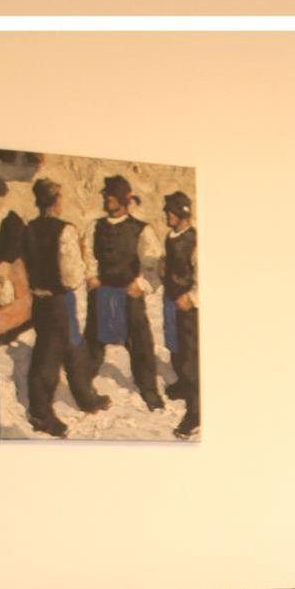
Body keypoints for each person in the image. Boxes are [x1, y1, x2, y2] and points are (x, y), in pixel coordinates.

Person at [20, 177, 110, 438]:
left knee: (74, 345)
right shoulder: (65, 230)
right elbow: (71, 277)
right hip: (58, 300)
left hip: (40, 300)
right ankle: (41, 414)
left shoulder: (29, 228)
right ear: (56, 201)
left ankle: (86, 396)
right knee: (48, 358)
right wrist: (81, 270)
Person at [80, 175, 166, 412]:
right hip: (102, 292)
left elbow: (154, 263)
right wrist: (91, 276)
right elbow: (88, 255)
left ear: (123, 200)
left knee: (140, 343)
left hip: (129, 294)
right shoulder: (95, 226)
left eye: (111, 197)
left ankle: (149, 391)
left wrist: (142, 284)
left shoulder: (141, 230)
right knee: (93, 342)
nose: (106, 200)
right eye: (106, 196)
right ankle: (83, 389)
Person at [161, 189, 200, 440]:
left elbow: (203, 274)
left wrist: (192, 297)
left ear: (182, 213)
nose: (167, 215)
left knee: (191, 356)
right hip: (171, 300)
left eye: (171, 211)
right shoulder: (170, 236)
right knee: (174, 346)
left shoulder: (195, 241)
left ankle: (195, 412)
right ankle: (183, 384)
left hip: (187, 305)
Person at [0, 174, 30, 344]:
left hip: (11, 267)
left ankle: (8, 332)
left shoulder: (10, 219)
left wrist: (5, 262)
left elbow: (15, 242)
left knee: (12, 302)